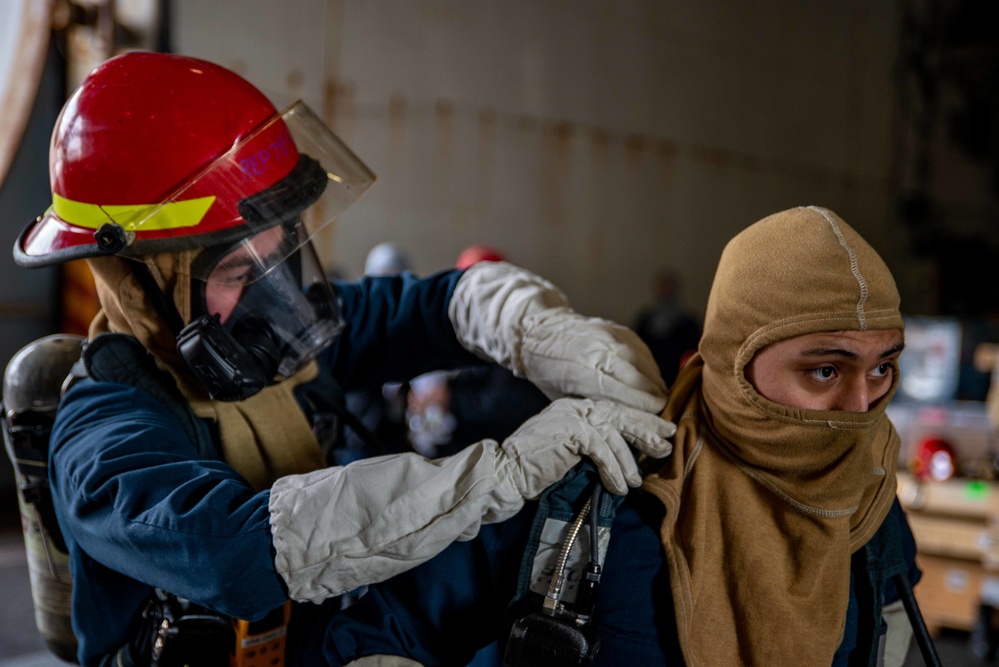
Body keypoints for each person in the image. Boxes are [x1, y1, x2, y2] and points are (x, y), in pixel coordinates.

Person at [9, 51, 676, 666]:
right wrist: (497, 475)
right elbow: (234, 552)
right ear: (141, 284)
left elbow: (432, 308)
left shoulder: (273, 347)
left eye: (282, 254)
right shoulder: (102, 433)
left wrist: (541, 329)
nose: (278, 295)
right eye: (240, 270)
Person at [322, 206, 925, 667]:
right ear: (732, 359)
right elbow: (385, 635)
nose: (862, 403)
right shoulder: (595, 489)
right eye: (825, 369)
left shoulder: (869, 511)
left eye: (881, 368)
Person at [632, 268, 701, 385]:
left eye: (669, 287)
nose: (666, 291)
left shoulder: (688, 322)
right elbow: (636, 348)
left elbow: (694, 353)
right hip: (650, 378)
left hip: (678, 379)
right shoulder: (645, 320)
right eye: (663, 287)